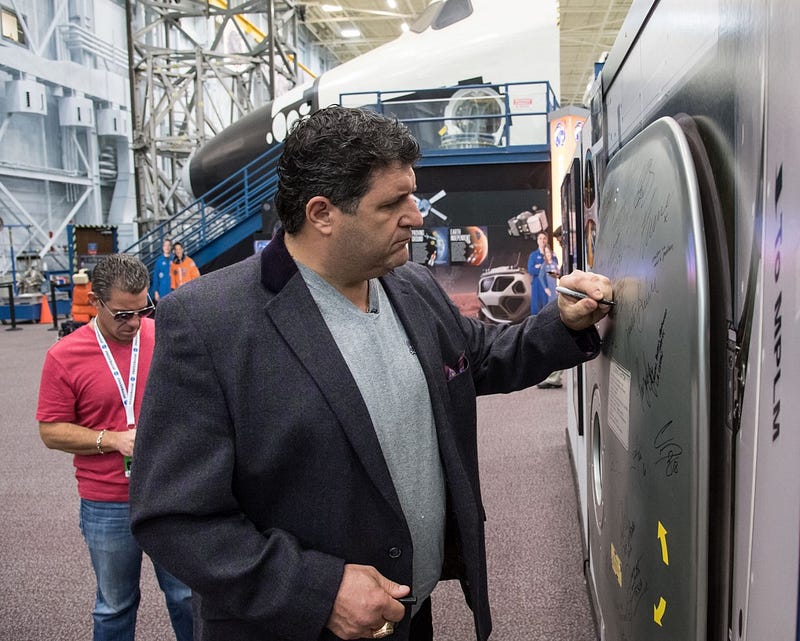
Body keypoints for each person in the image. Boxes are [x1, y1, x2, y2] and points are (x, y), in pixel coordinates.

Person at [129, 106, 612, 641]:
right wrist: (317, 590)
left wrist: (562, 325)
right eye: (392, 203)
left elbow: (479, 358)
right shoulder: (209, 323)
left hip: (407, 615)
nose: (417, 215)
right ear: (322, 213)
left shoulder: (412, 287)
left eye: (412, 194)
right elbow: (174, 516)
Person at [36, 254, 193, 641]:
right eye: (123, 314)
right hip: (106, 502)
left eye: (143, 310)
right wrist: (111, 439)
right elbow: (51, 430)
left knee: (187, 596)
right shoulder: (64, 356)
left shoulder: (165, 338)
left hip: (170, 493)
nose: (135, 323)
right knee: (115, 605)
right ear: (95, 302)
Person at [526, 230, 550, 314]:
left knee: (548, 309)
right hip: (537, 285)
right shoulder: (533, 255)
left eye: (544, 238)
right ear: (537, 240)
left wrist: (540, 267)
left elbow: (554, 270)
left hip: (549, 284)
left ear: (547, 240)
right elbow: (531, 270)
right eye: (540, 238)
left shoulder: (552, 255)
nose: (542, 240)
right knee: (536, 310)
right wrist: (544, 269)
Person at [152, 237, 173, 302]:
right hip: (162, 291)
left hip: (174, 290)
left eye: (168, 245)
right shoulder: (159, 261)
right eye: (165, 245)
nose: (167, 247)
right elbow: (156, 278)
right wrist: (156, 292)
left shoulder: (175, 259)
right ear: (162, 247)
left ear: (171, 247)